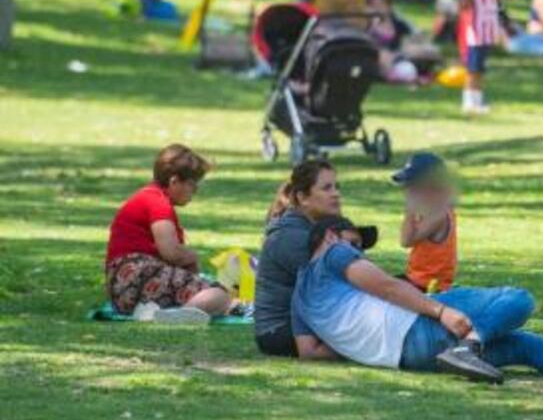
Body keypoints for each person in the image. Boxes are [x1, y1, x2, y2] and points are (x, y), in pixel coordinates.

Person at [292, 218, 543, 385]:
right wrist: (440, 310)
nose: (359, 251)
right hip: (420, 328)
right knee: (519, 299)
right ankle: (470, 346)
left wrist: (362, 344)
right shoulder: (334, 256)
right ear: (329, 237)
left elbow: (310, 352)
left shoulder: (300, 300)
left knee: (527, 346)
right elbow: (388, 288)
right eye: (354, 242)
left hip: (411, 360)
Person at [104, 144, 231, 322]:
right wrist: (191, 257)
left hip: (121, 290)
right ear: (174, 181)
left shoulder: (147, 197)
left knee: (207, 292)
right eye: (192, 184)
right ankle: (178, 316)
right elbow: (170, 251)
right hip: (137, 276)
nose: (195, 190)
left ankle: (158, 311)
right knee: (219, 295)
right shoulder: (158, 202)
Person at [254, 160, 365, 357]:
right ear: (302, 197)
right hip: (280, 331)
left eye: (336, 187)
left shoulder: (315, 231)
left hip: (309, 320)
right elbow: (351, 282)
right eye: (326, 188)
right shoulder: (291, 237)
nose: (336, 193)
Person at [392, 153, 458, 293]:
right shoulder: (434, 209)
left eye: (412, 185)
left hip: (428, 287)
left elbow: (406, 241)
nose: (406, 190)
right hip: (416, 281)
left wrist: (409, 208)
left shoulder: (437, 214)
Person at [458, 0, 502, 114]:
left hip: (487, 31)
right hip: (474, 33)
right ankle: (468, 100)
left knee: (481, 69)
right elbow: (464, 3)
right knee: (472, 68)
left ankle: (478, 99)